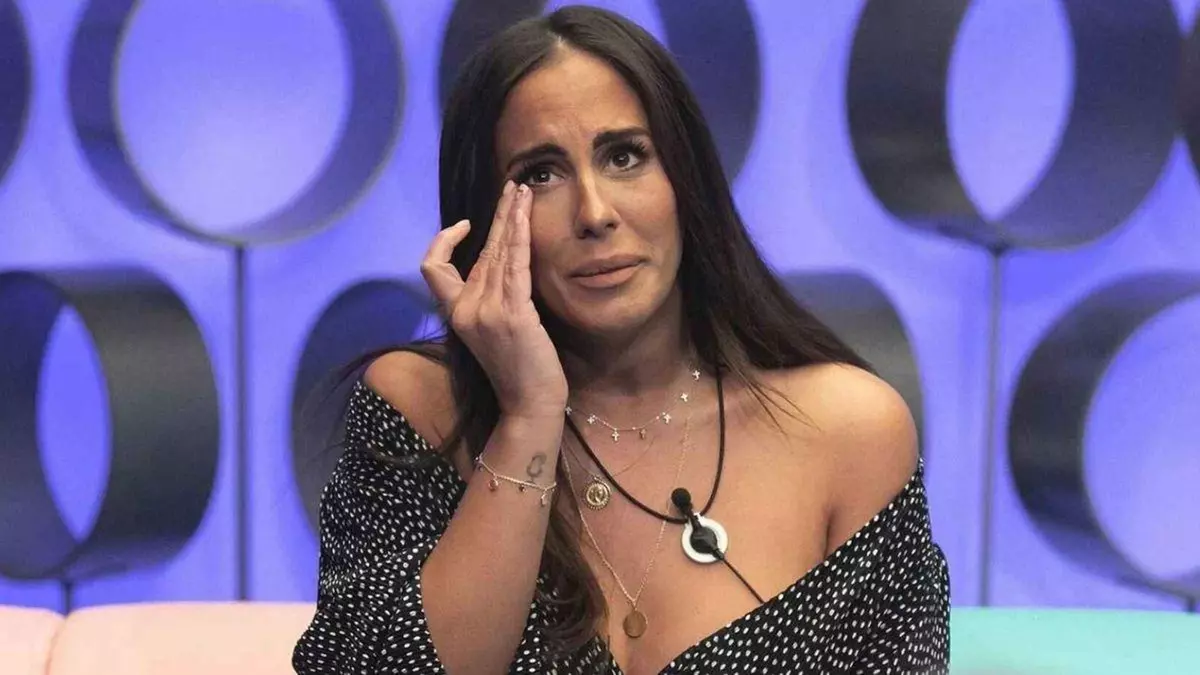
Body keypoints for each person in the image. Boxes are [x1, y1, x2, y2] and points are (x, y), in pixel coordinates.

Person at [292, 5, 949, 674]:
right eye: (540, 174)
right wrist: (529, 414)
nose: (595, 213)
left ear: (685, 179)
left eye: (625, 156)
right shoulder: (420, 410)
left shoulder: (848, 431)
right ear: (484, 213)